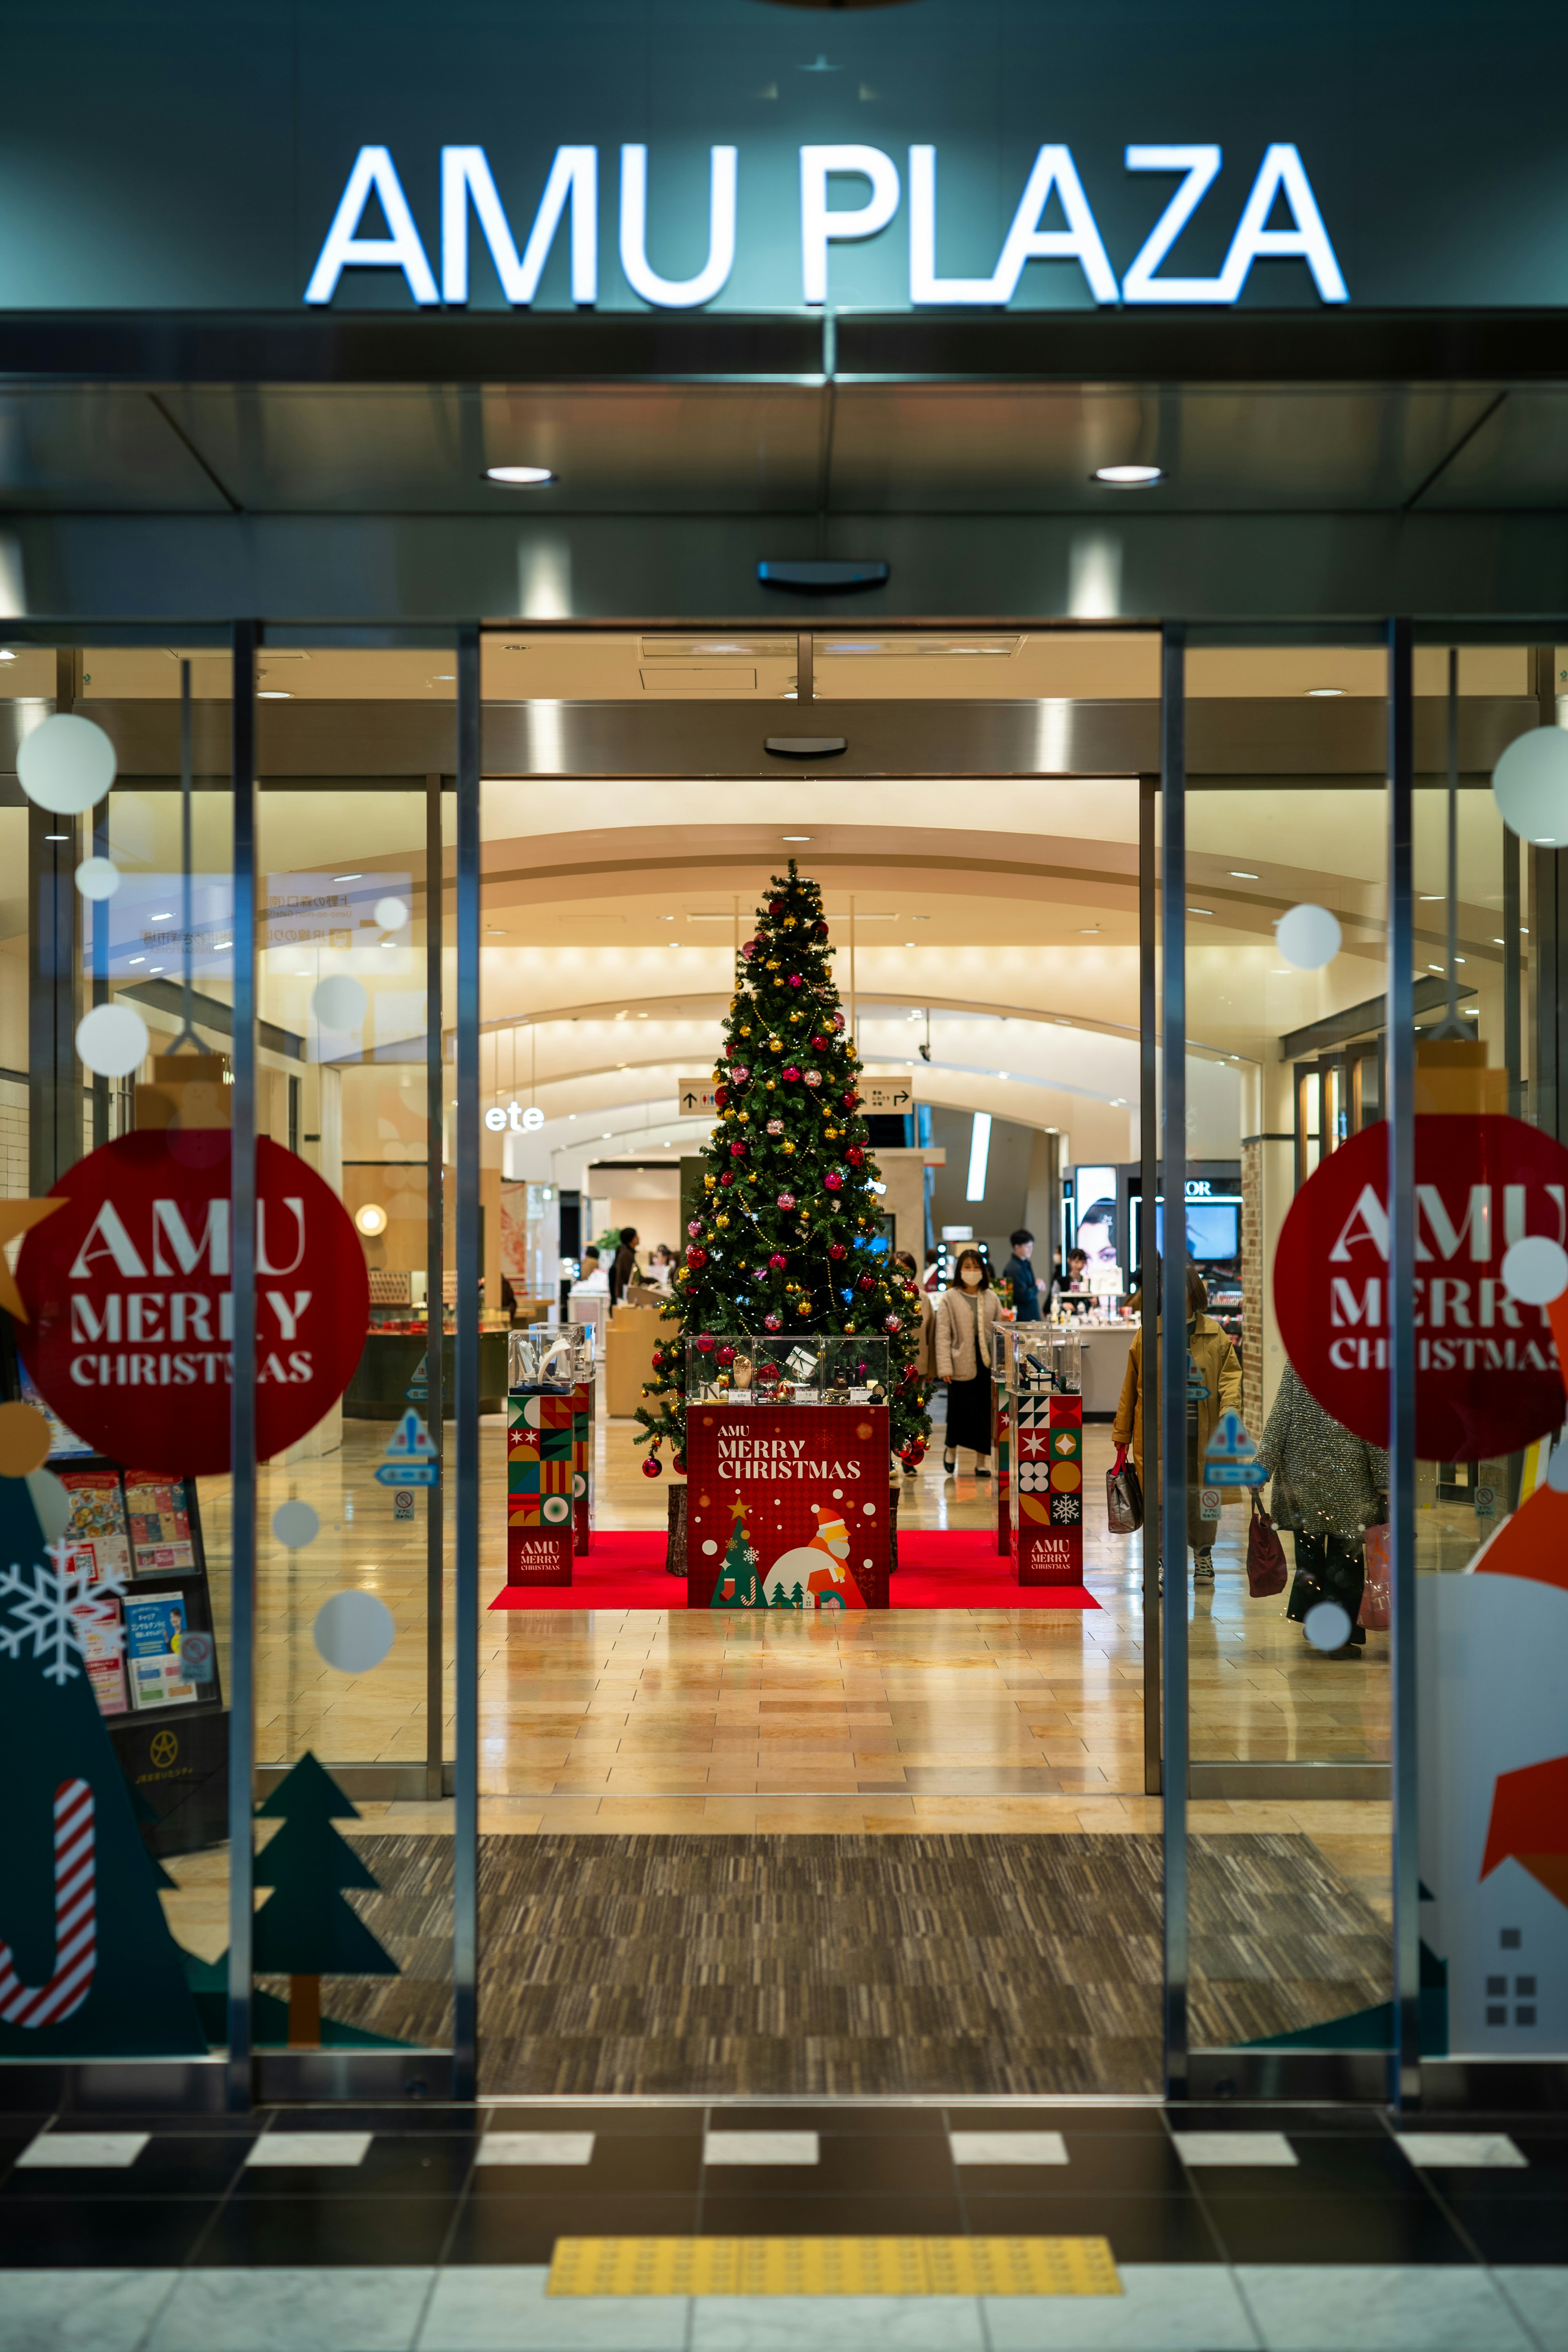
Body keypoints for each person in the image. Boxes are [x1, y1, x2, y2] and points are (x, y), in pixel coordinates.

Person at [1111, 1262, 1243, 1582]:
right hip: (1158, 1433)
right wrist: (1122, 1432)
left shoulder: (1215, 1334)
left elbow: (1230, 1378)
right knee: (1158, 1500)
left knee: (1204, 1499)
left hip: (1203, 1431)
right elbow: (1132, 1385)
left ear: (1192, 1291)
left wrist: (1230, 1410)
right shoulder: (1149, 1333)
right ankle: (1157, 1560)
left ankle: (1203, 1554)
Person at [1258, 1361, 1387, 1657]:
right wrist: (1385, 1480)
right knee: (1346, 1563)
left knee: (1310, 1558)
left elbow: (1280, 1418)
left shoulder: (1299, 1363)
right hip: (1350, 1481)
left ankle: (1317, 1619)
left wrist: (1262, 1467)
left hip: (1303, 1481)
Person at [934, 1246, 1003, 1477]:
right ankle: (951, 1448)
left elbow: (1001, 1332)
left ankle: (981, 1461)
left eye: (976, 1267)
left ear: (983, 1271)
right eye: (967, 1267)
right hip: (958, 1363)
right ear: (959, 1270)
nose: (972, 1271)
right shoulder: (950, 1298)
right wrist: (945, 1367)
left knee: (985, 1412)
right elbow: (942, 1335)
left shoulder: (991, 1297)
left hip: (986, 1363)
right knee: (958, 1411)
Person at [1001, 1228, 1040, 1321]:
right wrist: (1037, 1287)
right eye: (1027, 1246)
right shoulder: (1014, 1268)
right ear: (1017, 1247)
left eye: (1032, 1246)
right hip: (1023, 1319)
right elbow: (1023, 1296)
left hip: (1030, 1316)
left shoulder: (1025, 1264)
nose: (1031, 1249)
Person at [609, 1225, 642, 1304]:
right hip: (624, 1296)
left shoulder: (626, 1253)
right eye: (636, 1236)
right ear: (630, 1239)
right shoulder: (626, 1254)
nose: (639, 1238)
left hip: (624, 1295)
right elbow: (630, 1276)